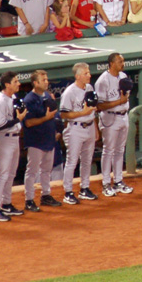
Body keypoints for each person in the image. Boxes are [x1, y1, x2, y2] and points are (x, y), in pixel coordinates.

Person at [0, 70, 26, 223]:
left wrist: (20, 113)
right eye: (16, 82)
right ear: (7, 84)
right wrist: (18, 119)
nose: (19, 84)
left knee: (11, 174)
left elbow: (18, 111)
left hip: (14, 139)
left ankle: (6, 204)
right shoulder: (0, 102)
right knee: (2, 175)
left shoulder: (13, 97)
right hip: (3, 140)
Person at [59, 62, 99, 203]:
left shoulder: (89, 87)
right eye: (86, 73)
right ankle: (68, 192)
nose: (89, 75)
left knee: (87, 160)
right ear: (78, 76)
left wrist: (94, 127)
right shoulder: (69, 92)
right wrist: (82, 113)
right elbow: (63, 114)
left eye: (88, 72)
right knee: (72, 161)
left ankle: (84, 188)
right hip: (75, 129)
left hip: (89, 127)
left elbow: (92, 109)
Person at [95, 53, 134, 197]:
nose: (122, 63)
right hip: (110, 118)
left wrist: (122, 102)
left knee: (119, 150)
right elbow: (100, 105)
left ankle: (118, 181)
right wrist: (119, 102)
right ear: (111, 63)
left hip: (124, 116)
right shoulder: (102, 81)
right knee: (108, 150)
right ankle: (106, 183)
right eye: (119, 61)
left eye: (123, 61)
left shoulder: (123, 77)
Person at [21, 70, 60, 213]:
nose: (46, 82)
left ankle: (46, 195)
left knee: (46, 170)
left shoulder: (48, 97)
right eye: (43, 80)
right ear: (35, 83)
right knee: (32, 171)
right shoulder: (29, 100)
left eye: (46, 79)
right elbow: (29, 122)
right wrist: (46, 118)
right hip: (35, 141)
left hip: (48, 139)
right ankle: (29, 200)